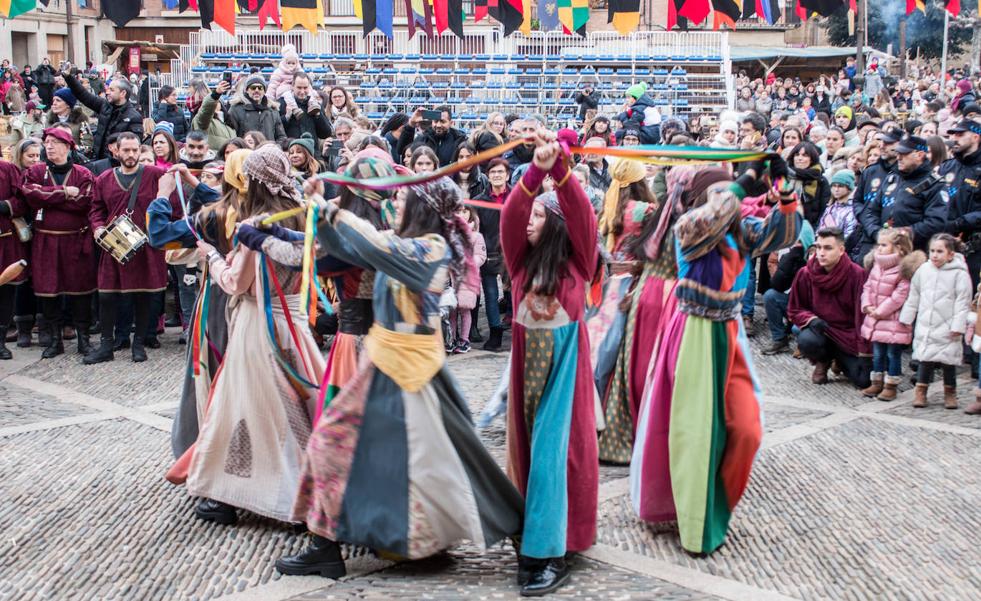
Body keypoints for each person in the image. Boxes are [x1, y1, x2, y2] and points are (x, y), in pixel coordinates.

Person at [279, 176, 523, 579]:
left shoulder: (431, 249)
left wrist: (330, 209)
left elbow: (376, 245)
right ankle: (329, 543)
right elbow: (347, 247)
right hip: (388, 361)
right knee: (376, 452)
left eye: (404, 196)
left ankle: (517, 527)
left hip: (410, 368)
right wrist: (318, 218)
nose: (396, 201)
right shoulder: (407, 241)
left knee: (449, 457)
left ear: (423, 208)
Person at [632, 159, 800, 556]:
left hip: (728, 332)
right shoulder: (688, 227)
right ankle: (697, 526)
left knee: (746, 429)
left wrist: (782, 183)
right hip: (695, 334)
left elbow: (784, 231)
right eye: (717, 192)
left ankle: (715, 505)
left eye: (727, 191)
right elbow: (710, 218)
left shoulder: (741, 230)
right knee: (697, 435)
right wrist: (742, 183)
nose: (727, 198)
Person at [171, 144, 322, 526]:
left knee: (244, 408)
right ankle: (314, 485)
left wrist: (212, 256)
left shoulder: (255, 227)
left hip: (259, 327)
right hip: (297, 322)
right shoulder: (304, 218)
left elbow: (237, 284)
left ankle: (239, 494)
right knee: (300, 406)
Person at [498, 131, 597, 595]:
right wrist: (534, 172)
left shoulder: (579, 266)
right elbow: (510, 218)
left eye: (541, 214)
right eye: (532, 211)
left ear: (557, 223)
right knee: (529, 458)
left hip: (563, 378)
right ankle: (534, 533)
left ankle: (547, 551)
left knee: (554, 458)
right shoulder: (519, 266)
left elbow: (583, 218)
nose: (530, 219)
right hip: (525, 382)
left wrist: (559, 171)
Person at [84, 132, 176, 364]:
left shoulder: (155, 175)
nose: (132, 154)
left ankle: (139, 344)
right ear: (116, 151)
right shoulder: (104, 178)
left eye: (135, 150)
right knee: (106, 296)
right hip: (114, 245)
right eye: (126, 150)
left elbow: (170, 203)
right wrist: (97, 228)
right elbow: (96, 209)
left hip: (145, 246)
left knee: (143, 295)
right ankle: (106, 346)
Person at [587, 159, 655, 464]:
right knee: (621, 353)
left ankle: (591, 418)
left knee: (597, 350)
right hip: (631, 286)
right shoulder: (646, 211)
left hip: (604, 288)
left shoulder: (607, 209)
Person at [20, 127, 98, 359]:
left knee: (80, 290)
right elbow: (31, 195)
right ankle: (55, 340)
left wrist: (49, 197)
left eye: (55, 142)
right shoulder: (35, 171)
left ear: (68, 146)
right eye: (47, 142)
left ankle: (83, 339)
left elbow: (84, 201)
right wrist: (63, 193)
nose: (49, 146)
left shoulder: (83, 173)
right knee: (48, 291)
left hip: (76, 240)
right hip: (45, 240)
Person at [788, 227, 871, 387]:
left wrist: (864, 351)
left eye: (828, 248)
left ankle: (839, 360)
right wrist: (811, 320)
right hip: (821, 331)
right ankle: (823, 361)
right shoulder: (805, 273)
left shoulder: (857, 274)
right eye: (818, 247)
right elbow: (795, 308)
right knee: (806, 340)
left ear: (841, 250)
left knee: (864, 381)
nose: (821, 253)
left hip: (848, 335)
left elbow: (862, 316)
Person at [901, 233, 972, 409]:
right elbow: (914, 294)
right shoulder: (924, 270)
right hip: (927, 323)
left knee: (948, 361)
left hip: (948, 325)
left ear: (950, 254)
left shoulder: (959, 274)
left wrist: (958, 326)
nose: (934, 255)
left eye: (940, 251)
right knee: (925, 358)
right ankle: (921, 391)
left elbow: (963, 302)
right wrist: (907, 316)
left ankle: (950, 392)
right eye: (932, 251)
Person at [860, 229, 924, 401]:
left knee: (892, 354)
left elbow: (899, 296)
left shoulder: (903, 269)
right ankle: (877, 381)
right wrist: (867, 305)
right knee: (878, 352)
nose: (879, 248)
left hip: (893, 320)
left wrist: (880, 311)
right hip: (875, 316)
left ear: (898, 249)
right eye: (878, 245)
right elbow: (867, 287)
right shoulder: (876, 265)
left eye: (883, 245)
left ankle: (891, 384)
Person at [871, 136, 948, 251]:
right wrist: (876, 232)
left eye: (904, 154)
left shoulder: (934, 184)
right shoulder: (893, 177)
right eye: (897, 153)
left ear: (920, 155)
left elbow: (935, 222)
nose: (898, 158)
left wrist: (902, 234)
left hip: (913, 250)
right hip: (883, 247)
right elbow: (872, 210)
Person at [473, 158, 511, 352]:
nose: (497, 175)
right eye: (493, 172)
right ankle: (495, 333)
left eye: (500, 172)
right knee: (490, 295)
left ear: (508, 175)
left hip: (511, 253)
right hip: (489, 253)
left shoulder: (515, 196)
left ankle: (516, 329)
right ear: (488, 175)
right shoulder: (480, 200)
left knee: (514, 293)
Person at [761, 222, 816, 355]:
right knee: (770, 296)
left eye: (796, 240)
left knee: (797, 329)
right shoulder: (787, 250)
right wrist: (792, 256)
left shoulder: (816, 258)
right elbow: (776, 282)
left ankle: (804, 343)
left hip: (808, 309)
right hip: (790, 299)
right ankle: (779, 339)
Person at [63, 71, 142, 161]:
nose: (107, 92)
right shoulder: (104, 106)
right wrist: (68, 77)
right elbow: (83, 95)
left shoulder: (134, 117)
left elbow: (135, 146)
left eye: (112, 90)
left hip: (118, 165)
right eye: (108, 89)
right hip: (98, 161)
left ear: (123, 93)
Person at [941, 119, 981, 289]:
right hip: (943, 243)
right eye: (953, 134)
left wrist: (959, 223)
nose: (955, 138)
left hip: (972, 247)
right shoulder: (947, 167)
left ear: (975, 136)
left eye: (960, 134)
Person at [0, 156, 28, 360]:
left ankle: (0, 342)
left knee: (5, 293)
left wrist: (4, 206)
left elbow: (23, 200)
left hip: (4, 240)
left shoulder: (8, 169)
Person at [280, 72, 332, 159]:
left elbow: (326, 133)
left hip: (312, 155)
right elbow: (277, 132)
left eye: (305, 88)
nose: (302, 91)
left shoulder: (315, 104)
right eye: (299, 88)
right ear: (292, 86)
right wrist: (286, 117)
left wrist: (318, 115)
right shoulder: (282, 103)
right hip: (292, 156)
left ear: (309, 87)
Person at [226, 76, 286, 142]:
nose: (256, 90)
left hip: (267, 151)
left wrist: (274, 148)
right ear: (247, 90)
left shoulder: (273, 111)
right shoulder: (236, 109)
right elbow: (231, 137)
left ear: (264, 91)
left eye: (260, 88)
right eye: (253, 88)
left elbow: (281, 137)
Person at [787, 141, 830, 227]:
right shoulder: (784, 177)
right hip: (786, 227)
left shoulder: (820, 180)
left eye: (805, 155)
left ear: (812, 159)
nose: (800, 158)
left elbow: (824, 210)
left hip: (809, 228)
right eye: (797, 155)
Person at [818, 169, 858, 252]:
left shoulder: (852, 209)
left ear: (849, 188)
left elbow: (849, 233)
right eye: (834, 186)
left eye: (840, 186)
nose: (836, 189)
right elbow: (821, 229)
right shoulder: (829, 208)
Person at [192, 78, 236, 151]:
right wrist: (216, 94)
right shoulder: (203, 120)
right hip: (213, 160)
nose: (214, 105)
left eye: (217, 102)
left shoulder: (228, 123)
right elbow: (206, 110)